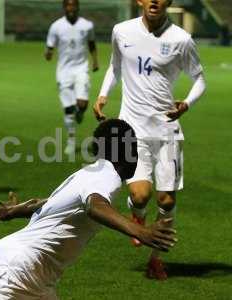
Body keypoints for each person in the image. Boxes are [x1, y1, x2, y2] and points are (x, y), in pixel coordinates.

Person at [0, 119, 177, 299]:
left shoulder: (90, 172)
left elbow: (48, 202)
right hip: (15, 270)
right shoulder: (107, 176)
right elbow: (95, 206)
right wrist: (141, 231)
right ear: (127, 152)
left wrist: (16, 210)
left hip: (26, 271)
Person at [93, 0, 206, 280]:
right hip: (132, 129)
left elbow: (199, 79)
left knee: (166, 201)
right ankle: (138, 216)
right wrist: (103, 94)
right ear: (140, 1)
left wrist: (187, 103)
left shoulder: (182, 39)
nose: (154, 1)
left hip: (167, 130)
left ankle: (156, 259)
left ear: (168, 2)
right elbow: (114, 67)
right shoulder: (122, 31)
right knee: (139, 195)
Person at [45, 0, 99, 156]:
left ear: (78, 7)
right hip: (64, 72)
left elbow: (92, 44)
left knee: (82, 103)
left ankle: (80, 111)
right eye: (68, 5)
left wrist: (95, 60)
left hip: (81, 69)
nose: (71, 8)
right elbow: (49, 47)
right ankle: (71, 141)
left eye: (74, 5)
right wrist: (48, 54)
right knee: (68, 110)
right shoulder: (56, 26)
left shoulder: (87, 25)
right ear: (64, 7)